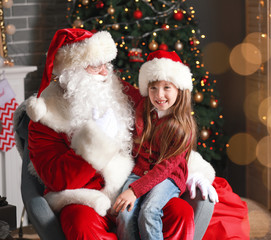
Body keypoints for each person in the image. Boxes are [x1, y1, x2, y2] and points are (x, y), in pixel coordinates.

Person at [26, 28, 216, 240]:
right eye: (95, 66)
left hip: (136, 186)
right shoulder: (46, 116)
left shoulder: (121, 92)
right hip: (87, 199)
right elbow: (56, 178)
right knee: (80, 223)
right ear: (72, 72)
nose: (105, 73)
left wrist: (192, 170)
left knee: (179, 213)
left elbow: (167, 132)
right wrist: (95, 144)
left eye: (106, 64)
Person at [113, 50, 217, 240]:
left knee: (149, 211)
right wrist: (104, 74)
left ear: (179, 89)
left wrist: (134, 190)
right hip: (140, 171)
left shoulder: (182, 127)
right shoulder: (144, 107)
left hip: (167, 176)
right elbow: (123, 87)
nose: (159, 95)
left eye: (167, 87)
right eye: (153, 88)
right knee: (124, 212)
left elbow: (165, 168)